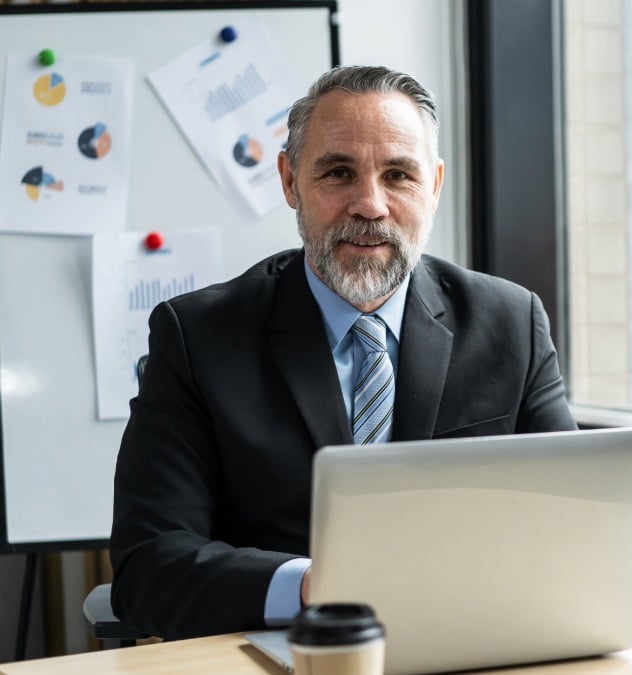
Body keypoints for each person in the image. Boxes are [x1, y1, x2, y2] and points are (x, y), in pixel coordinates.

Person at [109, 66, 576, 640]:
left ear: (434, 185)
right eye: (338, 172)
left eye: (399, 175)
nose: (370, 205)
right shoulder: (196, 337)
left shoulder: (512, 323)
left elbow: (574, 529)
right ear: (289, 181)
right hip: (286, 651)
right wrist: (317, 586)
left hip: (470, 641)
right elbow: (148, 568)